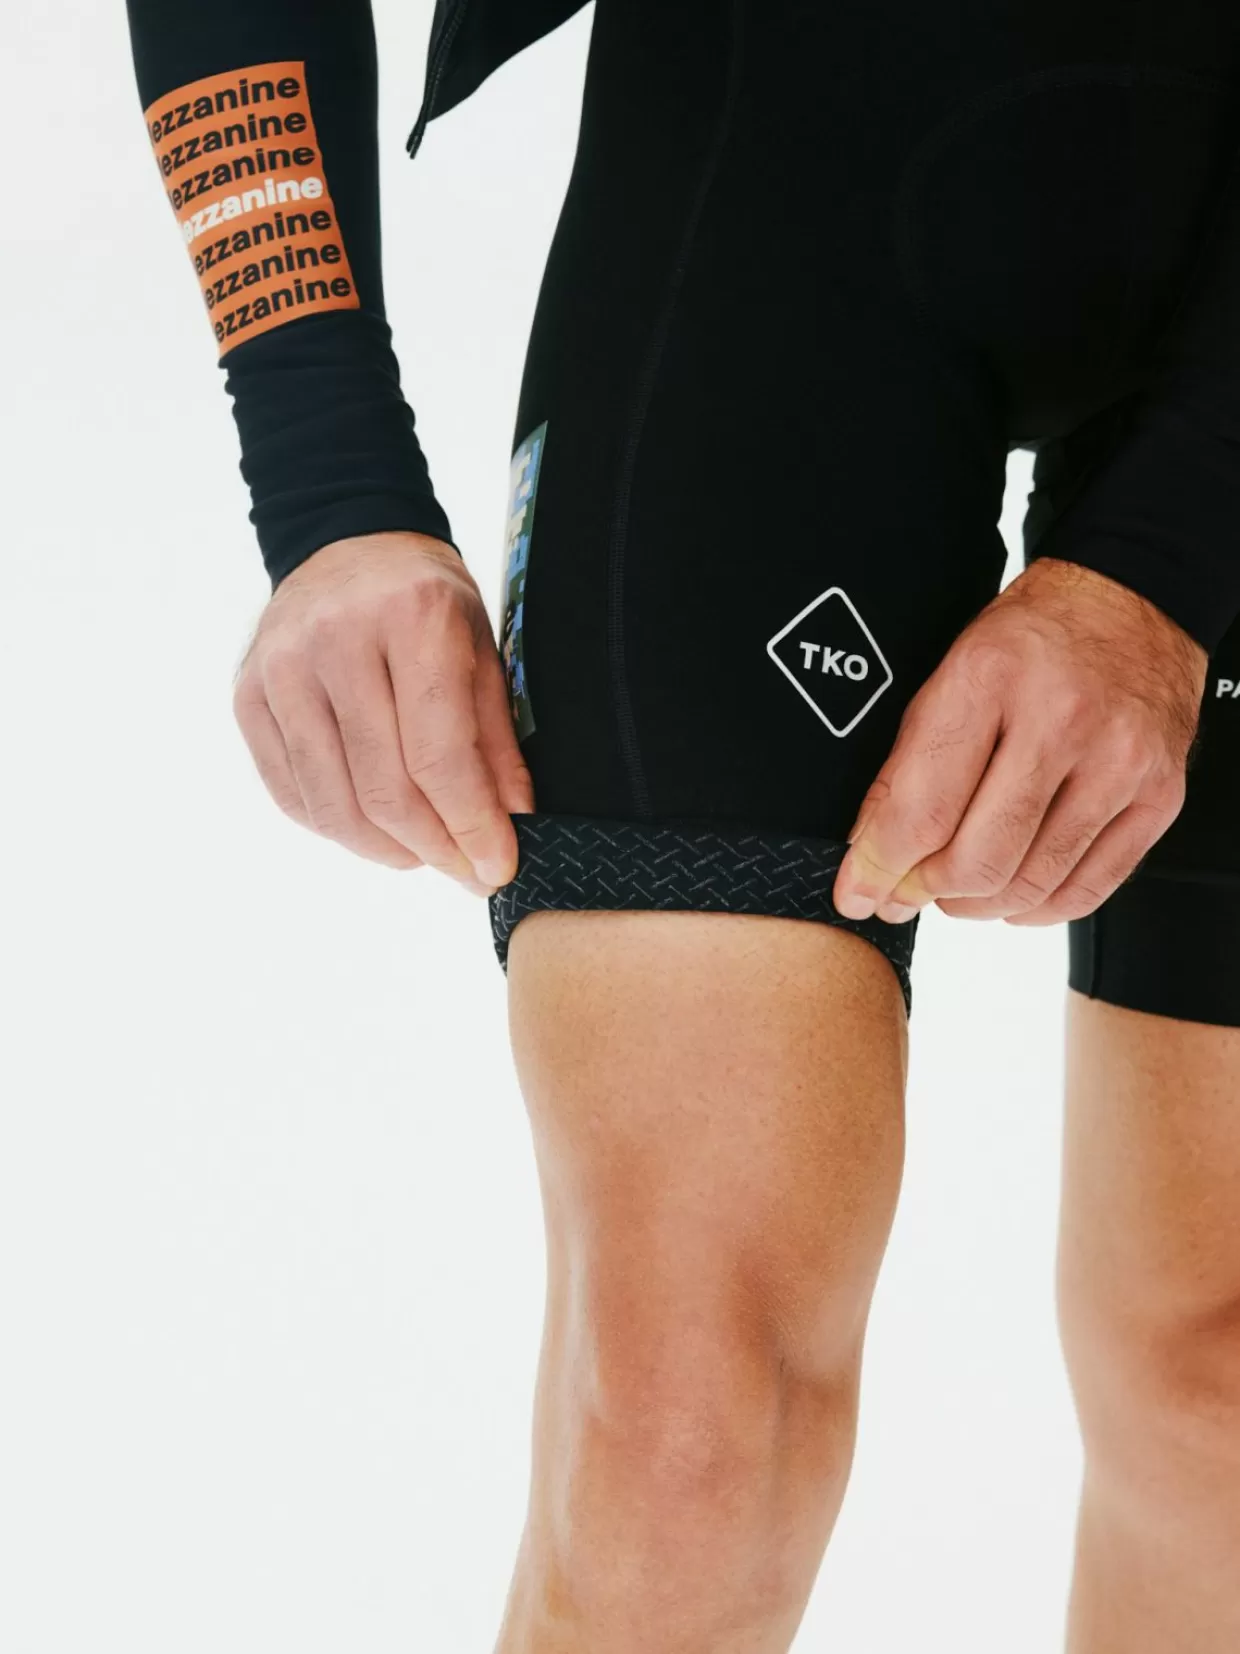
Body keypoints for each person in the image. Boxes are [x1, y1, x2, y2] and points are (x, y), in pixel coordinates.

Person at [125, 0, 1240, 1648]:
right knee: (684, 1447)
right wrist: (326, 478)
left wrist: (1170, 552)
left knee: (1219, 1392)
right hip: (807, 150)